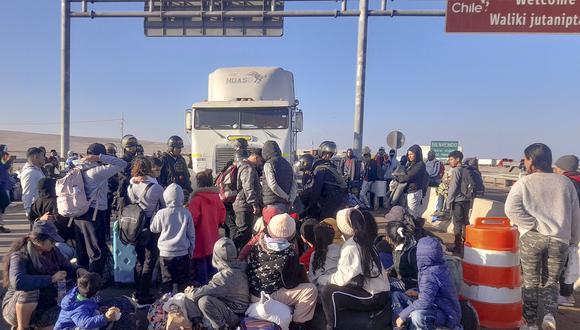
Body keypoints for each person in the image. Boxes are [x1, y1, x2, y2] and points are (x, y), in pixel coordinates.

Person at [505, 143, 580, 330]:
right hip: (559, 240)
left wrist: (531, 224)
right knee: (551, 281)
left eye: (526, 158)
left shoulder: (524, 182)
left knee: (530, 281)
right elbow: (575, 215)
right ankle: (548, 315)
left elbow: (510, 209)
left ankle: (529, 322)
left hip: (532, 238)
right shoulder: (565, 183)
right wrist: (573, 240)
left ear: (532, 160)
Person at [2, 220, 82, 330]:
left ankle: (36, 327)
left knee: (76, 314)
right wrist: (51, 278)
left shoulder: (54, 251)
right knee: (30, 291)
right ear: (39, 241)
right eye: (51, 241)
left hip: (44, 304)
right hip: (14, 308)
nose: (54, 244)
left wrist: (80, 271)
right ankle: (22, 327)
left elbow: (68, 267)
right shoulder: (20, 255)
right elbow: (18, 282)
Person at [321, 208, 390, 330]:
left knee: (328, 292)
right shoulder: (364, 239)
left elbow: (341, 279)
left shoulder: (351, 246)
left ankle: (331, 326)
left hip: (374, 296)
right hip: (380, 291)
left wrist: (323, 278)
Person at [247, 213, 318, 326]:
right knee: (310, 290)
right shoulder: (288, 254)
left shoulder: (258, 244)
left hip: (253, 291)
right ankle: (297, 323)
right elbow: (290, 284)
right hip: (270, 294)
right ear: (292, 234)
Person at [75, 143, 127, 274]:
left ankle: (81, 283)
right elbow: (122, 164)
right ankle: (94, 285)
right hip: (94, 214)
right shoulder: (96, 172)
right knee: (96, 252)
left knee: (82, 253)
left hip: (78, 214)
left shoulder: (78, 167)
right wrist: (101, 157)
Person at [391, 236, 462, 330]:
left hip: (445, 314)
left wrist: (403, 315)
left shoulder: (430, 273)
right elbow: (431, 292)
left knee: (418, 315)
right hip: (436, 305)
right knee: (397, 295)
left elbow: (425, 302)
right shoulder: (437, 265)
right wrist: (418, 293)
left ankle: (403, 322)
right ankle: (402, 326)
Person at [184, 237, 250, 330]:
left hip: (235, 316)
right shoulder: (239, 266)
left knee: (203, 301)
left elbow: (200, 294)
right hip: (232, 308)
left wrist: (189, 292)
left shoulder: (226, 275)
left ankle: (220, 327)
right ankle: (199, 324)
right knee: (198, 296)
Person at [127, 157, 165, 306]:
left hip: (135, 227)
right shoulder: (156, 188)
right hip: (150, 227)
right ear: (149, 169)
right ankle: (144, 294)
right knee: (149, 260)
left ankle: (137, 291)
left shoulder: (130, 186)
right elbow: (164, 204)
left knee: (139, 259)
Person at [150, 183, 196, 293]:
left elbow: (154, 229)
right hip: (182, 252)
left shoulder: (161, 213)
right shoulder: (186, 213)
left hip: (165, 253)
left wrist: (153, 217)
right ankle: (182, 304)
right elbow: (191, 234)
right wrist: (191, 249)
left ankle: (166, 304)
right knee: (183, 281)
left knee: (167, 280)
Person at [188, 169, 226, 286]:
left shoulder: (196, 200)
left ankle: (202, 288)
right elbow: (222, 218)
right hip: (213, 236)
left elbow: (192, 220)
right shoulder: (216, 198)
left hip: (199, 237)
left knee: (200, 265)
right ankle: (214, 286)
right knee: (212, 264)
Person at [553, 155, 580, 307]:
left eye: (556, 169)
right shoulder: (577, 180)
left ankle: (565, 295)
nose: (555, 171)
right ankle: (566, 293)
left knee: (565, 262)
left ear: (563, 169)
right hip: (576, 227)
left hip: (568, 228)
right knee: (571, 260)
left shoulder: (568, 182)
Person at [54, 272, 120, 330]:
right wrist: (105, 318)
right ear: (96, 292)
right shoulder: (79, 309)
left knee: (96, 312)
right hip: (69, 327)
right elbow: (85, 324)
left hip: (76, 321)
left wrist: (98, 309)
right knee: (90, 326)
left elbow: (89, 304)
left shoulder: (78, 290)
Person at [308, 141, 347, 220]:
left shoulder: (321, 168)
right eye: (327, 153)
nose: (328, 156)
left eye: (330, 154)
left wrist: (311, 203)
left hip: (328, 203)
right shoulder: (332, 166)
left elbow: (317, 189)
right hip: (339, 201)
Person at [232, 149, 263, 249]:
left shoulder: (244, 166)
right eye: (260, 161)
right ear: (256, 157)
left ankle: (238, 255)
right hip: (244, 206)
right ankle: (236, 257)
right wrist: (254, 204)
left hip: (243, 205)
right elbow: (248, 187)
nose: (260, 164)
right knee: (243, 234)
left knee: (243, 233)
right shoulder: (248, 168)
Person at [446, 151, 471, 255]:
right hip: (467, 200)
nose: (450, 161)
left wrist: (448, 201)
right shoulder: (467, 169)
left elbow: (453, 187)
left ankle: (457, 247)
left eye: (451, 159)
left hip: (457, 201)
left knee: (457, 224)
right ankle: (468, 245)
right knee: (466, 223)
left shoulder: (456, 170)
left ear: (458, 159)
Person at [262, 140, 297, 212]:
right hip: (286, 205)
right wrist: (290, 199)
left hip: (272, 205)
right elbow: (294, 184)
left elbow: (273, 185)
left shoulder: (268, 164)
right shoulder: (288, 164)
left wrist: (285, 197)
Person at [308, 219, 342, 290]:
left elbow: (311, 279)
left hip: (320, 292)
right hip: (338, 289)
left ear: (316, 238)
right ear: (332, 236)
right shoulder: (340, 250)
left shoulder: (314, 254)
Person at [396, 145, 427, 217]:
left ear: (417, 154)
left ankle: (412, 228)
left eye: (411, 154)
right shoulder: (410, 164)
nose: (409, 156)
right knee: (406, 214)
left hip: (414, 192)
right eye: (408, 154)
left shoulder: (420, 164)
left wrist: (399, 178)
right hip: (408, 191)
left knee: (412, 214)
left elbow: (408, 176)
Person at [159, 136, 193, 200]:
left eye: (180, 148)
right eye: (178, 148)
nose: (180, 150)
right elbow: (160, 178)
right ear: (171, 148)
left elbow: (186, 176)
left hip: (182, 192)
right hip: (169, 193)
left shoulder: (182, 159)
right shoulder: (164, 159)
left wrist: (189, 189)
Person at [19, 147, 46, 217]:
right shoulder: (31, 173)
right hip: (36, 211)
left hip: (40, 208)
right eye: (42, 156)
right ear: (35, 157)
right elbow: (27, 193)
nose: (44, 158)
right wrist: (29, 212)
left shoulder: (36, 170)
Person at [0, 144, 13, 233]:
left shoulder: (3, 160)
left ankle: (1, 225)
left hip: (4, 185)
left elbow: (5, 168)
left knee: (2, 207)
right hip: (1, 185)